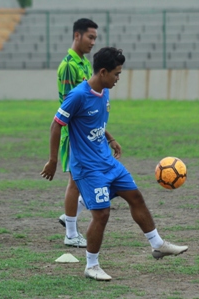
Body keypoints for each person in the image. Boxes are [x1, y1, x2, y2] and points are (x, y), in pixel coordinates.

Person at [41, 47, 188, 281]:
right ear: (102, 72)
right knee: (102, 214)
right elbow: (56, 124)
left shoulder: (104, 91)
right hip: (88, 168)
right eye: (116, 74)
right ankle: (91, 265)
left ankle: (158, 245)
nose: (119, 78)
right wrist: (52, 161)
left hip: (108, 162)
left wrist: (110, 138)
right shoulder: (78, 95)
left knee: (136, 197)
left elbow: (93, 120)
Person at [56, 18, 122, 248]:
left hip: (92, 132)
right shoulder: (68, 66)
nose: (93, 42)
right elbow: (68, 108)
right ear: (77, 36)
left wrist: (108, 136)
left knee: (94, 178)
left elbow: (91, 109)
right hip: (76, 135)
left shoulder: (85, 64)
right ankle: (71, 232)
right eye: (90, 37)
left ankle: (71, 216)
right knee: (75, 180)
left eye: (95, 38)